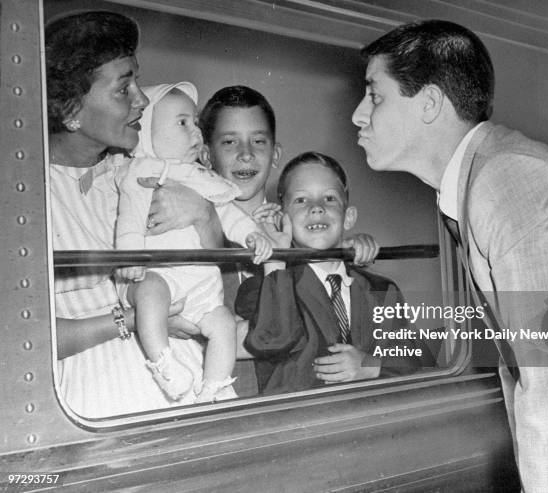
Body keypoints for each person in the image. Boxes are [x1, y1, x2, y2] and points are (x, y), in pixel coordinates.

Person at [351, 20, 548, 492]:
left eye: (374, 95)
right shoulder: (483, 180)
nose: (358, 115)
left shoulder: (511, 182)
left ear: (429, 103)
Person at [47, 11, 224, 417]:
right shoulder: (26, 196)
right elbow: (22, 341)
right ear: (70, 108)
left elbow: (208, 274)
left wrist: (204, 216)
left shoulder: (137, 173)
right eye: (123, 88)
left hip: (181, 376)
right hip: (88, 400)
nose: (142, 99)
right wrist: (133, 317)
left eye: (137, 82)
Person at [115, 82, 272, 402]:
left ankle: (216, 385)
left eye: (258, 141)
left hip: (263, 388)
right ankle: (164, 365)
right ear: (207, 155)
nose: (246, 154)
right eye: (229, 142)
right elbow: (130, 220)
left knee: (222, 323)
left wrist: (209, 216)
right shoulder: (142, 174)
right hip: (162, 286)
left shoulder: (294, 228)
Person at [236, 152, 432, 394]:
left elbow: (418, 358)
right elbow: (272, 341)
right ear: (281, 219)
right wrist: (276, 258)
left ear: (348, 217)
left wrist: (371, 365)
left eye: (329, 198)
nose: (316, 208)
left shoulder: (382, 290)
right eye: (300, 200)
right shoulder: (262, 286)